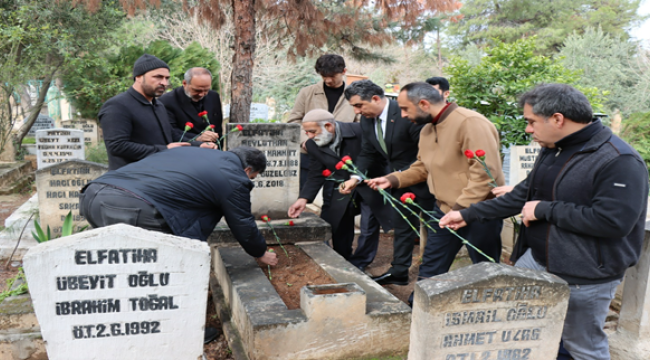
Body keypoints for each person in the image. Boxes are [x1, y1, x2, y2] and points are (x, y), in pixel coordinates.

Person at [440, 83, 649, 360]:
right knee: (530, 331)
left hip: (585, 276)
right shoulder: (554, 148)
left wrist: (545, 209)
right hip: (535, 261)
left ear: (558, 119)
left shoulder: (619, 159)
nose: (528, 129)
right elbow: (522, 196)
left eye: (531, 122)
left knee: (582, 346)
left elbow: (613, 222)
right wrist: (468, 214)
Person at [366, 82, 504, 295]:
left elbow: (485, 174)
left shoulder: (471, 123)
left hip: (479, 212)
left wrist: (460, 210)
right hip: (445, 211)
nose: (402, 115)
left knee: (485, 272)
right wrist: (393, 179)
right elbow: (422, 166)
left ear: (423, 104)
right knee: (430, 270)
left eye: (405, 109)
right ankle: (418, 314)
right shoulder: (428, 130)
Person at [79, 145, 278, 266]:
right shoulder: (233, 176)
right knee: (164, 267)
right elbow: (242, 222)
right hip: (133, 207)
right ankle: (176, 326)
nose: (250, 180)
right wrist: (260, 252)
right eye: (253, 177)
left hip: (93, 195)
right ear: (248, 169)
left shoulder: (191, 152)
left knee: (118, 268)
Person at [338, 80, 436, 285]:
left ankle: (431, 276)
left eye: (359, 105)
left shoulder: (406, 114)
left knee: (433, 227)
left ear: (375, 99)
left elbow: (426, 152)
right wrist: (355, 178)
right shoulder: (366, 120)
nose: (357, 111)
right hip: (395, 181)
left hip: (426, 179)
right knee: (402, 227)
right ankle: (399, 272)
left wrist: (399, 175)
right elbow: (368, 152)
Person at [287, 109, 391, 271]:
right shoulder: (313, 145)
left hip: (371, 181)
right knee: (340, 220)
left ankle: (361, 262)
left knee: (368, 225)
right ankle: (343, 257)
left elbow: (379, 158)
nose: (309, 136)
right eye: (306, 132)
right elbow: (315, 174)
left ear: (328, 126)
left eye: (312, 132)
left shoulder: (359, 131)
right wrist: (304, 199)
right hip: (342, 186)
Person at [99, 54, 216, 170]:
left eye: (166, 78)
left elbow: (170, 135)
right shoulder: (117, 106)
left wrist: (198, 144)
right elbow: (117, 146)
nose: (164, 83)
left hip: (158, 176)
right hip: (130, 180)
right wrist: (164, 149)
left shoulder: (158, 105)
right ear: (139, 77)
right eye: (158, 77)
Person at [288, 54, 357, 189]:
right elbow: (293, 122)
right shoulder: (307, 92)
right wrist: (306, 141)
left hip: (340, 158)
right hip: (309, 155)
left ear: (344, 71)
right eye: (324, 76)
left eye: (332, 76)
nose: (328, 80)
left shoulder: (354, 95)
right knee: (302, 196)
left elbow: (360, 125)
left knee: (334, 201)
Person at [159, 67, 223, 143]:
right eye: (197, 90)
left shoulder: (213, 97)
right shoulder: (167, 101)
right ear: (185, 83)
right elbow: (170, 132)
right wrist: (197, 139)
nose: (202, 94)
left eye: (206, 90)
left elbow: (217, 128)